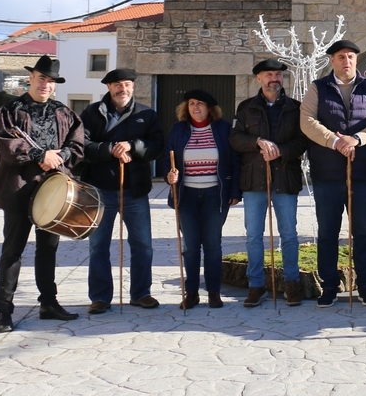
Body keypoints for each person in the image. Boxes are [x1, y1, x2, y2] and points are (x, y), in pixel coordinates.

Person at [0, 55, 84, 332]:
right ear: (31, 78)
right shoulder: (11, 110)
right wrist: (38, 154)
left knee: (48, 251)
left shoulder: (64, 113)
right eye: (42, 78)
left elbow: (77, 146)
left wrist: (60, 155)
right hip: (19, 189)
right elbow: (6, 143)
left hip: (53, 192)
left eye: (51, 81)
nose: (46, 84)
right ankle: (4, 311)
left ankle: (48, 303)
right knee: (13, 252)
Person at [300, 39, 366, 308]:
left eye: (351, 56)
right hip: (327, 173)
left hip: (361, 173)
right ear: (332, 60)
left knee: (363, 231)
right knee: (328, 232)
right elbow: (306, 120)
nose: (347, 60)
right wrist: (335, 141)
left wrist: (358, 139)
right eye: (341, 56)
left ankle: (365, 285)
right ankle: (329, 286)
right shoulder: (318, 88)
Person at [79, 68, 163, 314]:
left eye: (126, 84)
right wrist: (109, 149)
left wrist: (133, 146)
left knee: (142, 245)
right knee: (98, 246)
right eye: (117, 85)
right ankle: (100, 297)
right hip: (100, 191)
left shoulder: (147, 114)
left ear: (133, 87)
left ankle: (141, 293)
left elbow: (157, 145)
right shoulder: (92, 113)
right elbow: (81, 145)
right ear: (108, 87)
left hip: (135, 191)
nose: (122, 89)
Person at [230, 59, 306, 308]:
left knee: (289, 235)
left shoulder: (296, 108)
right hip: (254, 180)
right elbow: (235, 139)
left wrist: (281, 150)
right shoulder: (246, 107)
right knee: (253, 236)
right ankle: (256, 285)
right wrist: (259, 142)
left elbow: (303, 142)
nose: (274, 78)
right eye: (269, 74)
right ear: (258, 79)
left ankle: (292, 283)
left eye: (278, 74)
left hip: (285, 178)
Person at [165, 89, 240, 309]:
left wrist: (235, 191)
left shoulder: (223, 129)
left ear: (210, 108)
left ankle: (214, 292)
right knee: (189, 246)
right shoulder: (179, 130)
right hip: (186, 194)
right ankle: (191, 292)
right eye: (191, 104)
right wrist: (170, 175)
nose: (196, 107)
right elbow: (167, 158)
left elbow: (235, 162)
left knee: (213, 245)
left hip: (214, 195)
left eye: (200, 103)